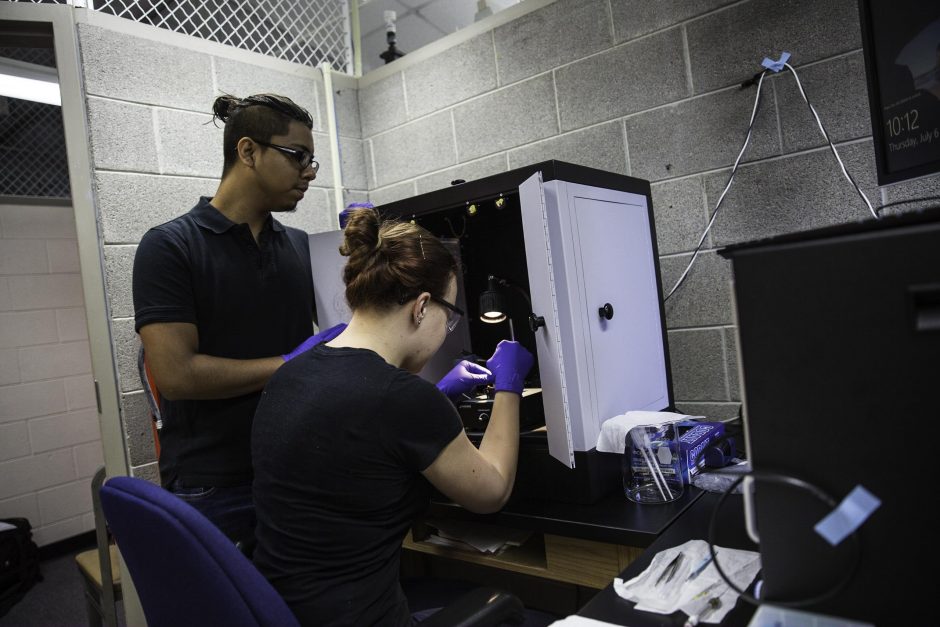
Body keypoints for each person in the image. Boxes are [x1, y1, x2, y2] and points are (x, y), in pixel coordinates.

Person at [251, 207, 535, 626]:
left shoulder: (291, 373)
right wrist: (509, 385)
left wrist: (436, 398)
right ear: (422, 307)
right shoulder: (402, 398)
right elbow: (491, 491)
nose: (446, 332)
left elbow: (359, 433)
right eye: (449, 316)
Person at [131, 93, 344, 547]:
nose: (308, 171)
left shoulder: (302, 246)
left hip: (296, 470)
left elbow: (346, 338)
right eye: (297, 156)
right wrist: (290, 363)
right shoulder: (171, 246)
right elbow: (176, 375)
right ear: (248, 151)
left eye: (313, 160)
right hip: (213, 486)